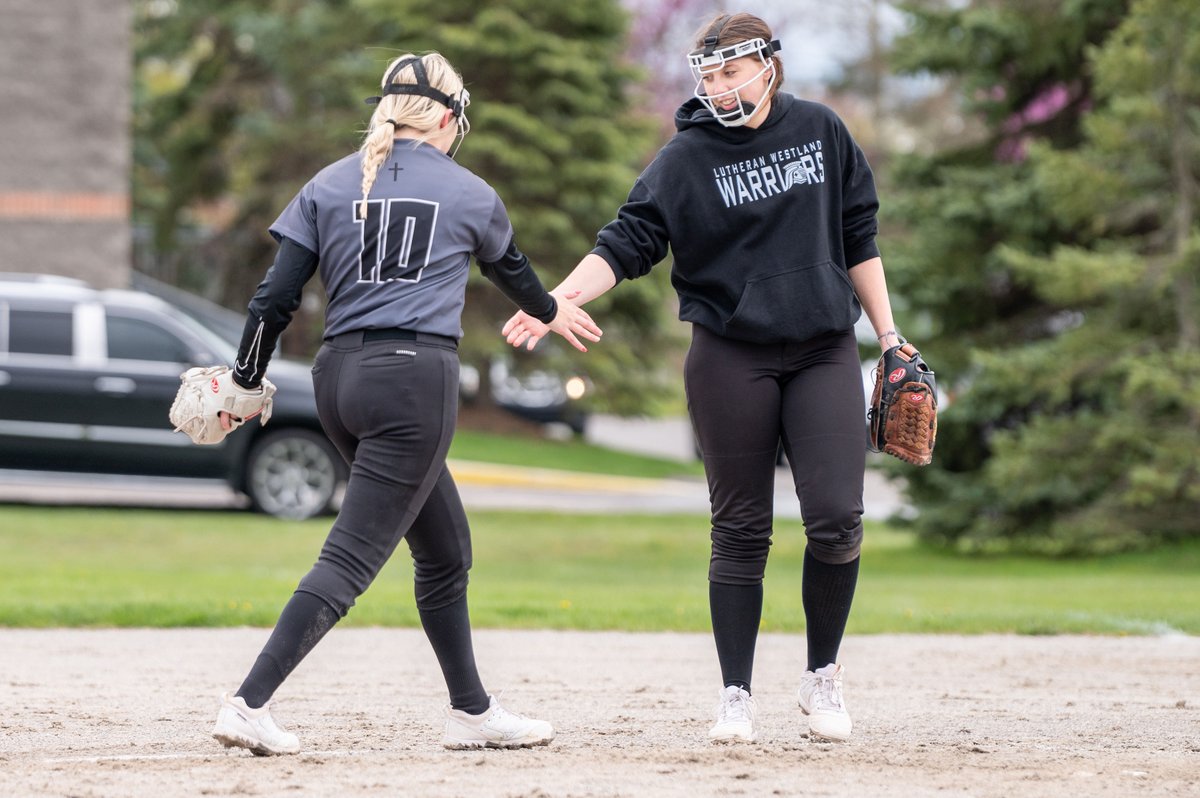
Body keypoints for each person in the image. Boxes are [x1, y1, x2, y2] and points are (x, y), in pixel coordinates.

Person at [503, 12, 905, 744]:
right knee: (741, 529)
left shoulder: (821, 130)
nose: (718, 87)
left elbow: (859, 237)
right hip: (730, 354)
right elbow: (625, 243)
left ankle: (823, 674)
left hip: (823, 348)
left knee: (838, 517)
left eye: (730, 72)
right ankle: (736, 693)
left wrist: (889, 335)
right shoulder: (685, 159)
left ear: (767, 66)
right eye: (709, 76)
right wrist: (555, 296)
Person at [209, 51, 601, 756]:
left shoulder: (329, 182)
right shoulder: (470, 191)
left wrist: (244, 380)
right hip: (414, 380)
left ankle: (472, 712)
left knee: (445, 550)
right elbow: (514, 275)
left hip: (338, 378)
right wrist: (552, 309)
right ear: (449, 119)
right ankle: (248, 702)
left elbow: (273, 299)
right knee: (353, 558)